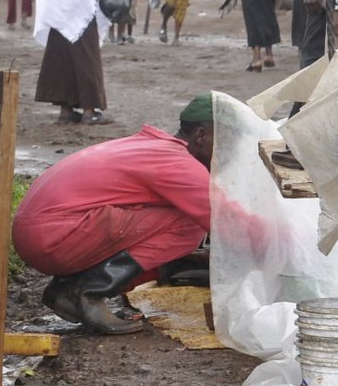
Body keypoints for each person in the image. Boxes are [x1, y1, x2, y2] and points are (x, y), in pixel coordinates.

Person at [12, 95, 216, 334]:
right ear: (201, 135)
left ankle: (67, 288)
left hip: (38, 231)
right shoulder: (181, 164)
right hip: (52, 236)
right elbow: (226, 222)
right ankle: (87, 293)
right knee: (190, 223)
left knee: (176, 214)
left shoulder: (153, 146)